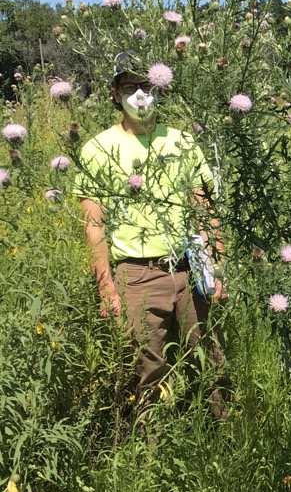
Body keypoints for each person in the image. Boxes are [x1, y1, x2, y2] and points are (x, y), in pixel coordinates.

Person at [74, 54, 227, 409]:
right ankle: (149, 449)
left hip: (191, 270)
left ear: (160, 87)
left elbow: (204, 207)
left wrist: (218, 269)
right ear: (115, 93)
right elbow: (94, 226)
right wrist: (106, 289)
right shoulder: (97, 149)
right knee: (147, 371)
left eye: (147, 85)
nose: (140, 95)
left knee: (210, 361)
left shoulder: (183, 141)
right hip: (137, 276)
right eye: (130, 86)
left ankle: (225, 437)